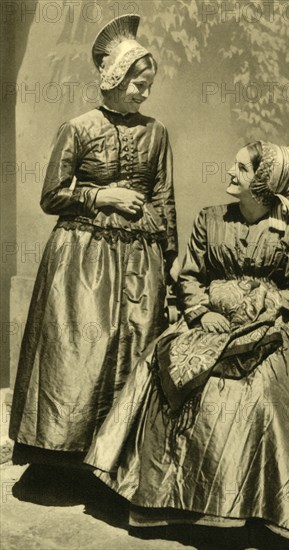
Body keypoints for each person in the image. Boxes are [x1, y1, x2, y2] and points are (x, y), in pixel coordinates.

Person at [85, 139, 289, 548]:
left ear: (263, 183)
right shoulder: (211, 218)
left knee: (265, 393)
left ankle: (262, 511)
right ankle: (174, 505)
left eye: (242, 169)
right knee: (173, 372)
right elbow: (190, 276)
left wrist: (250, 309)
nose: (231, 173)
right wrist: (201, 312)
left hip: (274, 330)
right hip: (209, 322)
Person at [9, 15, 177, 465]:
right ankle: (67, 461)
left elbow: (165, 201)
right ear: (115, 77)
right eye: (138, 83)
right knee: (83, 352)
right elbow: (52, 195)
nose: (144, 92)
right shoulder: (79, 128)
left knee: (136, 351)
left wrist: (173, 264)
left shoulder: (157, 133)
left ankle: (120, 462)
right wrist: (103, 194)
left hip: (142, 262)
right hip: (83, 259)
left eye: (148, 85)